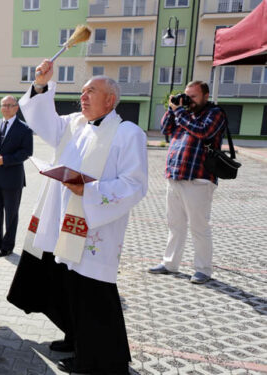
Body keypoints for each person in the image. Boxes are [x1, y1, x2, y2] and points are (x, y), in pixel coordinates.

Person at [11, 60, 148, 374]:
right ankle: (75, 337)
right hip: (64, 223)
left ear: (110, 100)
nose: (82, 97)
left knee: (93, 295)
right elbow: (42, 120)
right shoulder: (73, 124)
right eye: (82, 92)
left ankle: (98, 360)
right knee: (68, 287)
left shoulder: (128, 134)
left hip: (96, 227)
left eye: (91, 92)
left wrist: (89, 189)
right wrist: (42, 85)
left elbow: (135, 184)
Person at [148, 81, 227, 284]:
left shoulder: (214, 113)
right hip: (175, 175)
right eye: (186, 95)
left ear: (205, 96)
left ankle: (203, 269)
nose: (188, 100)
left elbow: (203, 132)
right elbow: (165, 129)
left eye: (193, 96)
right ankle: (170, 263)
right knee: (175, 224)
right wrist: (171, 108)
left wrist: (180, 112)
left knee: (199, 226)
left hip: (199, 178)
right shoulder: (184, 113)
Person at [0, 95, 33, 257]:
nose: (6, 108)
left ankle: (8, 246)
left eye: (10, 105)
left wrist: (5, 160)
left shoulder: (24, 129)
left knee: (11, 214)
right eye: (4, 105)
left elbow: (26, 152)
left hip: (12, 180)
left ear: (16, 107)